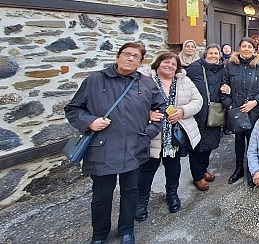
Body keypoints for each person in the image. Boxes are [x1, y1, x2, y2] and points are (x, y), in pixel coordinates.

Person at [65, 42, 164, 244]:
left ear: (140, 61)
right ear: (117, 57)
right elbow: (73, 109)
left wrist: (147, 134)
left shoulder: (146, 84)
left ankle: (127, 229)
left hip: (135, 147)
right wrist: (90, 122)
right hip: (103, 148)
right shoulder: (94, 81)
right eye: (126, 54)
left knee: (130, 192)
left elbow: (160, 112)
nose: (130, 58)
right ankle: (99, 234)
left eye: (135, 56)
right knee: (101, 196)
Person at [136, 52, 203, 221]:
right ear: (158, 64)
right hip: (152, 133)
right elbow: (133, 103)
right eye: (166, 62)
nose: (170, 66)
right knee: (147, 168)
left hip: (174, 134)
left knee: (173, 166)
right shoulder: (145, 81)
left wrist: (182, 111)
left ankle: (172, 194)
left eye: (173, 64)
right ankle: (141, 201)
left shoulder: (184, 81)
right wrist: (148, 113)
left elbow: (198, 100)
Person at [221, 37, 259, 187]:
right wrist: (230, 106)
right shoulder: (230, 65)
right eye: (243, 46)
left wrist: (255, 102)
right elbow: (223, 87)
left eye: (249, 47)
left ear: (253, 49)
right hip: (237, 111)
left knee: (253, 143)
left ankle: (252, 170)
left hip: (254, 111)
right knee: (238, 142)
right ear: (239, 48)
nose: (246, 49)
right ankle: (238, 170)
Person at [185, 44, 225, 192]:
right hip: (197, 113)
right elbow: (184, 84)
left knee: (209, 143)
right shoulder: (195, 68)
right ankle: (197, 176)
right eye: (210, 53)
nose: (213, 56)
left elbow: (227, 84)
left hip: (214, 112)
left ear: (220, 55)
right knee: (196, 145)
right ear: (205, 55)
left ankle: (203, 170)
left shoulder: (222, 69)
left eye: (216, 53)